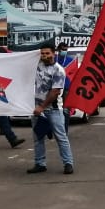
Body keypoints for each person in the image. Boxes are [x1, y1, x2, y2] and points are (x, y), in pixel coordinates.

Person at [27, 45, 75, 175]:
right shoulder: (37, 66)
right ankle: (40, 163)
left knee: (61, 137)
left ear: (53, 54)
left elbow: (55, 92)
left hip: (53, 109)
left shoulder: (58, 70)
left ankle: (68, 163)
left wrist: (42, 107)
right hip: (37, 109)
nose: (45, 56)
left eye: (47, 53)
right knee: (38, 137)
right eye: (42, 53)